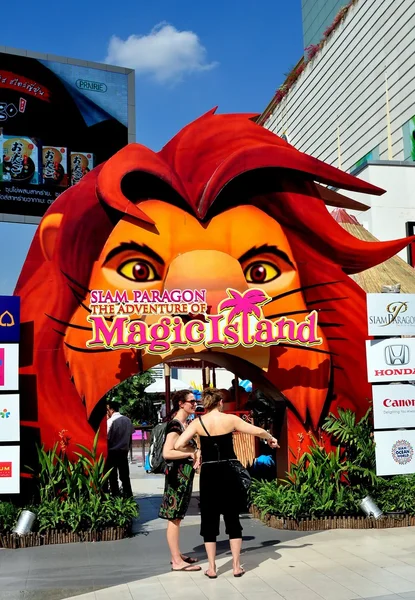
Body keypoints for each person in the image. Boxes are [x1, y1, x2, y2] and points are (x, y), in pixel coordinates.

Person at [174, 388, 279, 579]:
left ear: (206, 404)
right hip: (229, 472)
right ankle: (236, 566)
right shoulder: (230, 420)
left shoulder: (198, 423)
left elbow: (178, 444)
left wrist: (195, 449)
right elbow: (257, 431)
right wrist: (270, 439)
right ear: (220, 402)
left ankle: (212, 568)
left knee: (209, 519)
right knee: (232, 518)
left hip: (209, 473)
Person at [159, 390, 202, 573]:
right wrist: (190, 453)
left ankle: (176, 555)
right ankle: (177, 561)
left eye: (196, 401)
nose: (195, 404)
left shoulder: (184, 424)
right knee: (174, 518)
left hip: (182, 476)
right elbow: (167, 452)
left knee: (177, 516)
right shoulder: (175, 426)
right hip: (177, 477)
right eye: (191, 401)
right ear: (181, 404)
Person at [106, 402, 135, 497]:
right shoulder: (127, 420)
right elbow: (130, 436)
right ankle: (128, 494)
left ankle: (115, 495)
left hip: (112, 452)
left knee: (113, 477)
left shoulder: (110, 422)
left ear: (111, 409)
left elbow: (106, 438)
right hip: (123, 452)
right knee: (125, 476)